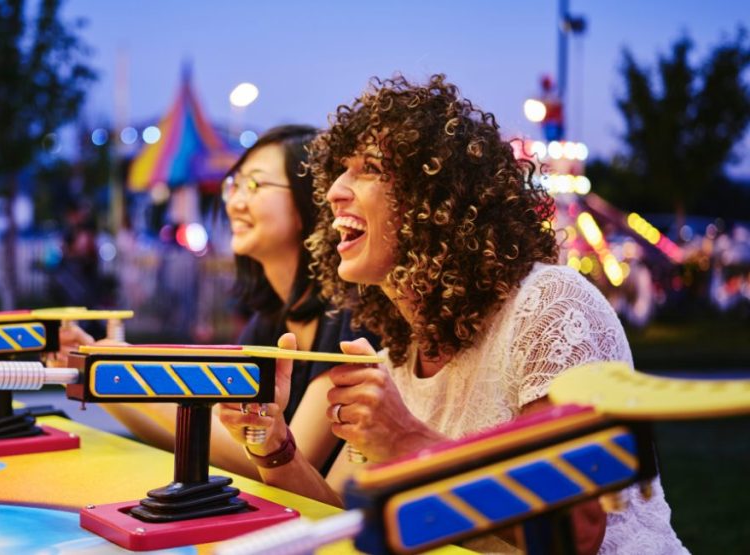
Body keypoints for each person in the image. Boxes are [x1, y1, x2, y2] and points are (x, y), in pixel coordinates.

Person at [218, 75, 686, 554]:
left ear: (435, 198)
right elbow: (345, 522)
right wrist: (271, 443)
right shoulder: (400, 354)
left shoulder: (549, 305)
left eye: (368, 168)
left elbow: (577, 533)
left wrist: (405, 439)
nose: (335, 190)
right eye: (340, 171)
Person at [61, 124, 375, 479]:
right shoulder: (269, 322)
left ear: (311, 198)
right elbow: (204, 442)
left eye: (254, 185)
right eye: (233, 185)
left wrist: (116, 374)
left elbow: (283, 462)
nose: (233, 201)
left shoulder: (349, 319)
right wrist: (89, 372)